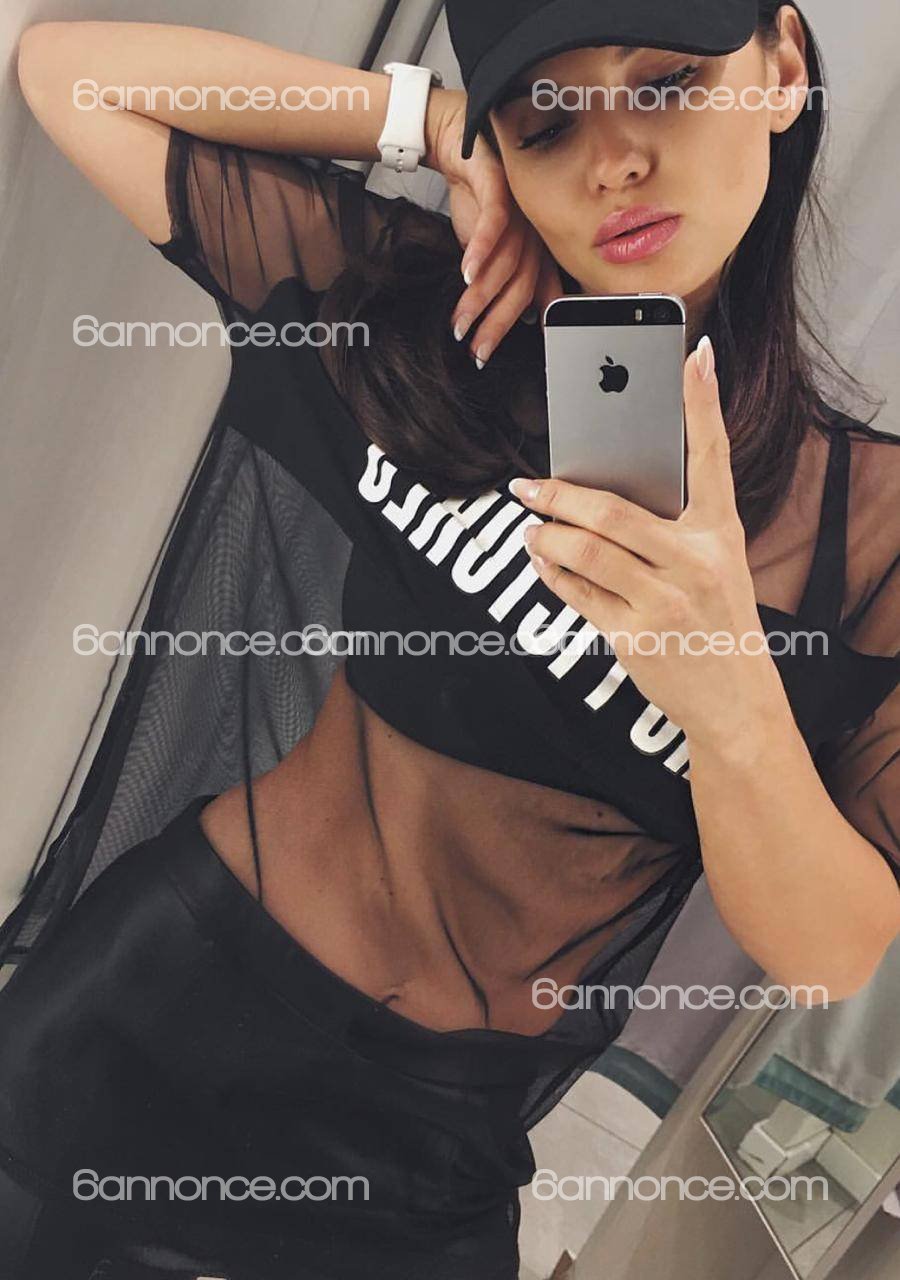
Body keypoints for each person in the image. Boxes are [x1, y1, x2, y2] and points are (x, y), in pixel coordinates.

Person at [3, 1, 898, 1276]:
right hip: (150, 1009)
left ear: (783, 66)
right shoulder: (427, 322)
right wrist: (428, 124)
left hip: (427, 1151)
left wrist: (728, 693)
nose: (613, 160)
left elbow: (831, 952)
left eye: (664, 82)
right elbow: (69, 75)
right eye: (546, 121)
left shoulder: (871, 539)